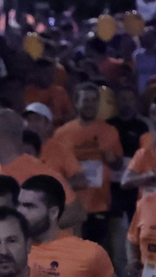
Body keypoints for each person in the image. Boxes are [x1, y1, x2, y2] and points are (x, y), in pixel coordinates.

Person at [50, 81, 125, 246]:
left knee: (97, 253)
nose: (90, 104)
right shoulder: (61, 133)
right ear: (76, 102)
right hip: (70, 206)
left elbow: (119, 166)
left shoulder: (109, 131)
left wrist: (114, 161)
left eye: (93, 100)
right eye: (86, 100)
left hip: (100, 203)